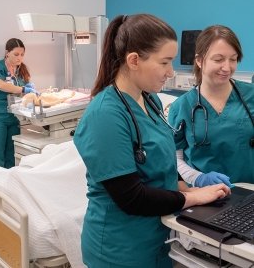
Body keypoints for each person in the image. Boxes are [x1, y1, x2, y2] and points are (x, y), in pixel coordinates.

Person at [73, 14, 230, 268]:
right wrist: (195, 198)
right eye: (165, 62)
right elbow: (132, 197)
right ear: (134, 60)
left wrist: (192, 188)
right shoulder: (105, 115)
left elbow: (158, 173)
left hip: (157, 240)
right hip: (119, 251)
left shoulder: (151, 101)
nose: (171, 72)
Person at [168, 25, 254, 187]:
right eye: (218, 59)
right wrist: (199, 178)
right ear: (199, 60)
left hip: (249, 192)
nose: (227, 67)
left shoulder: (251, 95)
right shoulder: (182, 107)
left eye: (233, 59)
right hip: (205, 195)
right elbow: (174, 158)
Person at [0, 38, 37, 168]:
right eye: (16, 54)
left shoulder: (22, 70)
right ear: (7, 52)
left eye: (22, 54)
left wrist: (32, 93)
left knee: (12, 155)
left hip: (15, 117)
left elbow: (26, 93)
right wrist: (23, 88)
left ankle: (8, 186)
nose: (19, 58)